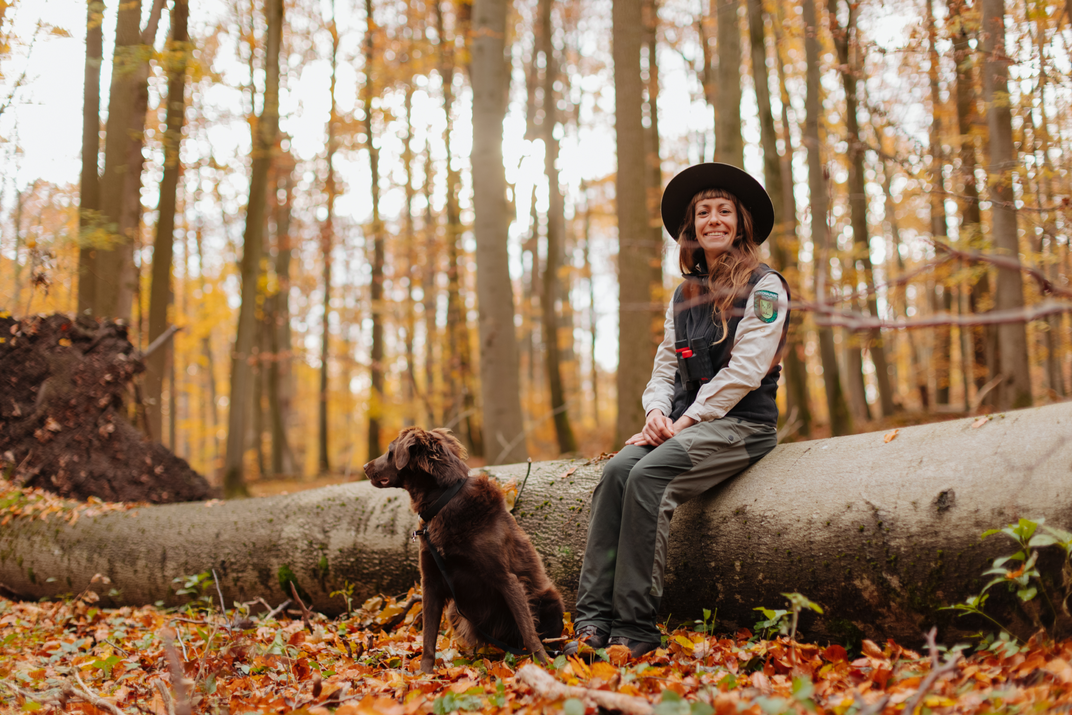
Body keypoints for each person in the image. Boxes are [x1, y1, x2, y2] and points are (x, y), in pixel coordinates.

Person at [565, 163, 791, 659]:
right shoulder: (684, 295)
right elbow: (666, 364)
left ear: (740, 223)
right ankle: (592, 622)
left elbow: (746, 373)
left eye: (724, 211)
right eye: (704, 212)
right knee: (619, 472)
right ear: (692, 227)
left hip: (742, 425)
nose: (714, 219)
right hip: (684, 425)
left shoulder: (766, 286)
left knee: (649, 478)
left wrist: (685, 422)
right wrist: (654, 413)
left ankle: (634, 630)